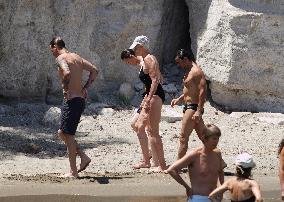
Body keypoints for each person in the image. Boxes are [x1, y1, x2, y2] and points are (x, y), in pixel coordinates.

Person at [49, 36, 99, 178]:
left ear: (55, 47)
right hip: (80, 100)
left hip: (71, 101)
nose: (52, 53)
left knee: (68, 136)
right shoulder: (76, 57)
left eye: (51, 50)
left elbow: (67, 73)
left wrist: (65, 89)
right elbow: (95, 70)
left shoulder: (60, 58)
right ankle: (83, 156)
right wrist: (85, 88)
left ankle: (73, 172)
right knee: (62, 133)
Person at [121, 35, 167, 171]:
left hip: (154, 96)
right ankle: (149, 160)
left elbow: (155, 81)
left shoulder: (149, 59)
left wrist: (148, 99)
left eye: (135, 48)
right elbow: (155, 75)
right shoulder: (145, 59)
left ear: (141, 47)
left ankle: (160, 164)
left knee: (152, 131)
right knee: (139, 126)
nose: (134, 50)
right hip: (149, 95)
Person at [167, 124, 225, 202]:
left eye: (218, 138)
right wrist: (187, 187)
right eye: (214, 138)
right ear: (204, 138)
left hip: (213, 198)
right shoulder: (194, 155)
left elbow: (220, 171)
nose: (216, 141)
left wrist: (221, 191)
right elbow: (171, 170)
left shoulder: (217, 153)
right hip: (197, 198)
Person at [171, 49, 207, 159]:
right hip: (189, 107)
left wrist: (199, 111)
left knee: (183, 137)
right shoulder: (190, 70)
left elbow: (202, 91)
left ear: (185, 59)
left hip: (193, 108)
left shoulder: (196, 71)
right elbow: (191, 89)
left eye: (179, 62)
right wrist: (180, 98)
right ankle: (220, 163)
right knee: (205, 138)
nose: (179, 65)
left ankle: (177, 165)